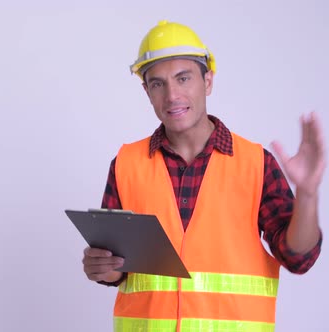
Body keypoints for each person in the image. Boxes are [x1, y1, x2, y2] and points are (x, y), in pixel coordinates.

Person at [81, 20, 324, 331]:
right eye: (158, 84)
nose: (172, 95)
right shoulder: (126, 164)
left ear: (207, 80)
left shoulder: (255, 163)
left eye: (183, 78)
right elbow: (119, 267)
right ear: (147, 91)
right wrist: (104, 268)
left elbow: (298, 257)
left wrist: (307, 192)